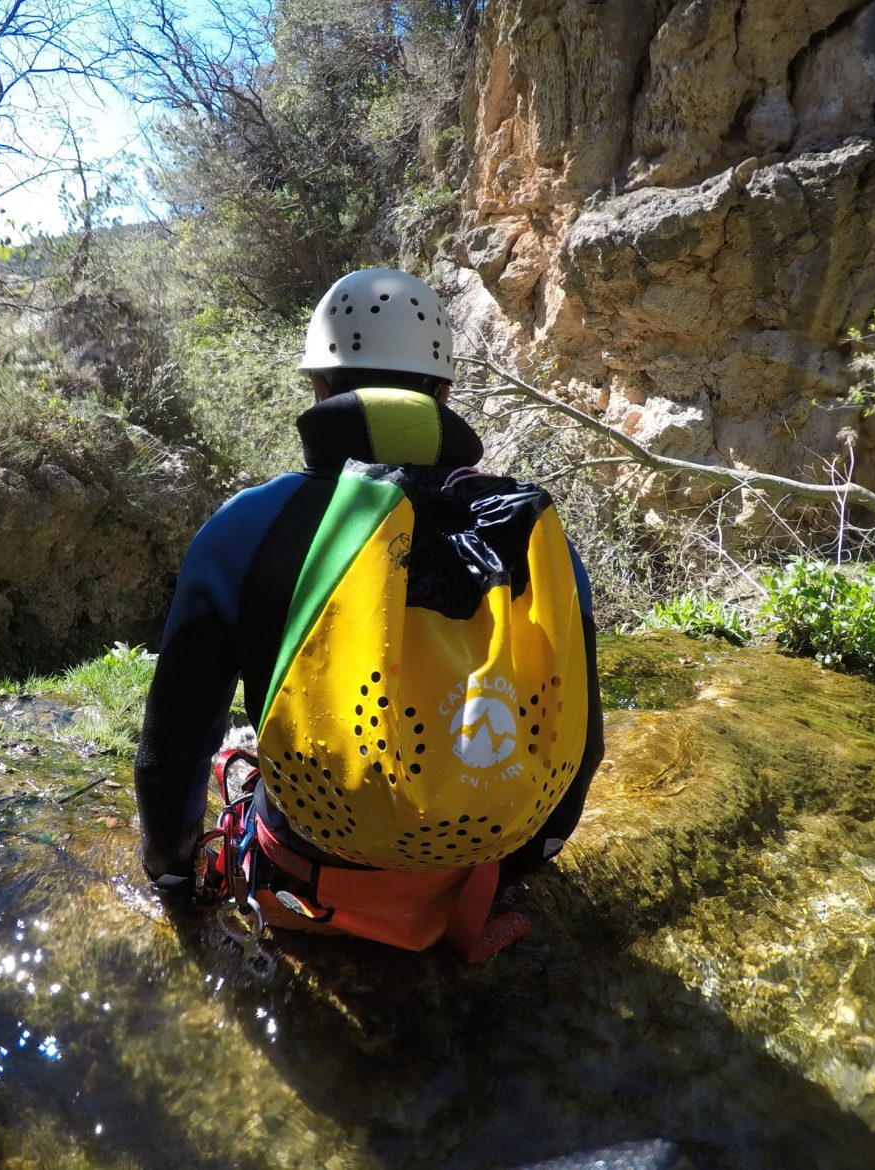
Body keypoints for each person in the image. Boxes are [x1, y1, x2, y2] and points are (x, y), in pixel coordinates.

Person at [134, 268, 603, 960]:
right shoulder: (531, 535)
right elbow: (581, 743)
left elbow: (171, 754)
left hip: (304, 878)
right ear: (444, 394)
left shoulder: (244, 529)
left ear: (319, 389)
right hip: (473, 876)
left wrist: (173, 876)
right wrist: (517, 869)